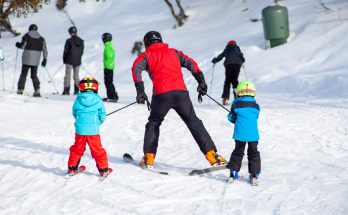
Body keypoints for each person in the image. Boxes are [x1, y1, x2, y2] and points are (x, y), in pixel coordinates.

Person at [131, 31, 226, 169]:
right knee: (194, 122)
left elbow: (135, 69)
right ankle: (213, 156)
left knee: (154, 123)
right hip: (181, 93)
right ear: (161, 40)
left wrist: (140, 91)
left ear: (146, 43)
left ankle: (148, 158)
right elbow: (191, 64)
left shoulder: (146, 55)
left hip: (161, 95)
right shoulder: (174, 52)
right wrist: (201, 82)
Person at [67, 75, 111, 177]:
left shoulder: (78, 99)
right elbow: (102, 116)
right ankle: (104, 170)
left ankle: (72, 168)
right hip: (93, 132)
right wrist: (96, 123)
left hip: (80, 131)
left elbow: (74, 113)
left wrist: (81, 122)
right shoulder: (98, 100)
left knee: (76, 149)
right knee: (98, 151)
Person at [226, 80, 261, 185]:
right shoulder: (256, 106)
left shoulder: (236, 104)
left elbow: (231, 118)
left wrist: (235, 116)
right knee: (253, 153)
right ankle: (254, 175)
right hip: (253, 135)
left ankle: (233, 172)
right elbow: (255, 117)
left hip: (240, 134)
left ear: (239, 92)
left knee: (238, 151)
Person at [15, 24, 48, 97]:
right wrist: (45, 59)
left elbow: (22, 46)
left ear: (30, 29)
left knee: (23, 74)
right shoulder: (41, 39)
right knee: (34, 75)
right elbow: (45, 50)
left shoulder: (27, 35)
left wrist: (18, 45)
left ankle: (20, 89)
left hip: (27, 58)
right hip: (36, 60)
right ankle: (37, 90)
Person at [212, 40, 245, 105]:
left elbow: (221, 56)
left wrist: (215, 60)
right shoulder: (237, 49)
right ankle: (237, 95)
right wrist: (242, 60)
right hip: (237, 65)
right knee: (235, 80)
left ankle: (225, 98)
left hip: (229, 65)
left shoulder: (227, 49)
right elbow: (242, 58)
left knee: (228, 81)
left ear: (228, 44)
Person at [62, 26, 84, 95]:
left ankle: (66, 90)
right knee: (76, 75)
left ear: (70, 32)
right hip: (77, 61)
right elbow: (82, 52)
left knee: (67, 75)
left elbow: (66, 51)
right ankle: (77, 90)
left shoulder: (69, 41)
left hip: (69, 60)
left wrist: (64, 59)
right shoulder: (81, 41)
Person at [102, 33, 118, 102]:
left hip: (108, 67)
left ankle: (112, 96)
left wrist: (106, 62)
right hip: (110, 66)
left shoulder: (107, 47)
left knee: (108, 82)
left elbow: (110, 56)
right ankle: (113, 96)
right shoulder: (109, 46)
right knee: (109, 82)